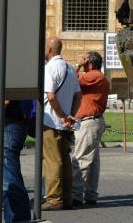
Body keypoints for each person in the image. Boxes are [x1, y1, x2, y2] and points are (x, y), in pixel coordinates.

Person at [0, 32, 31, 223]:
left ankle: (18, 220)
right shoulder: (3, 67)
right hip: (1, 126)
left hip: (7, 126)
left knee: (8, 182)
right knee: (6, 180)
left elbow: (5, 99)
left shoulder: (11, 67)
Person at [42, 37, 82, 211]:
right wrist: (70, 115)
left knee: (52, 161)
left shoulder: (50, 68)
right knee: (64, 160)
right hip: (65, 123)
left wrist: (62, 116)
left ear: (50, 49)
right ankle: (67, 198)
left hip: (51, 120)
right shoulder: (70, 68)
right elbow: (78, 95)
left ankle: (54, 199)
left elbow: (50, 96)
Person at [71, 51, 110, 207]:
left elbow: (70, 80)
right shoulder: (98, 77)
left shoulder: (93, 76)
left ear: (91, 64)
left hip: (88, 123)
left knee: (80, 159)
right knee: (92, 161)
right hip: (93, 122)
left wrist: (78, 65)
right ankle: (91, 194)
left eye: (85, 61)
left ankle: (75, 195)